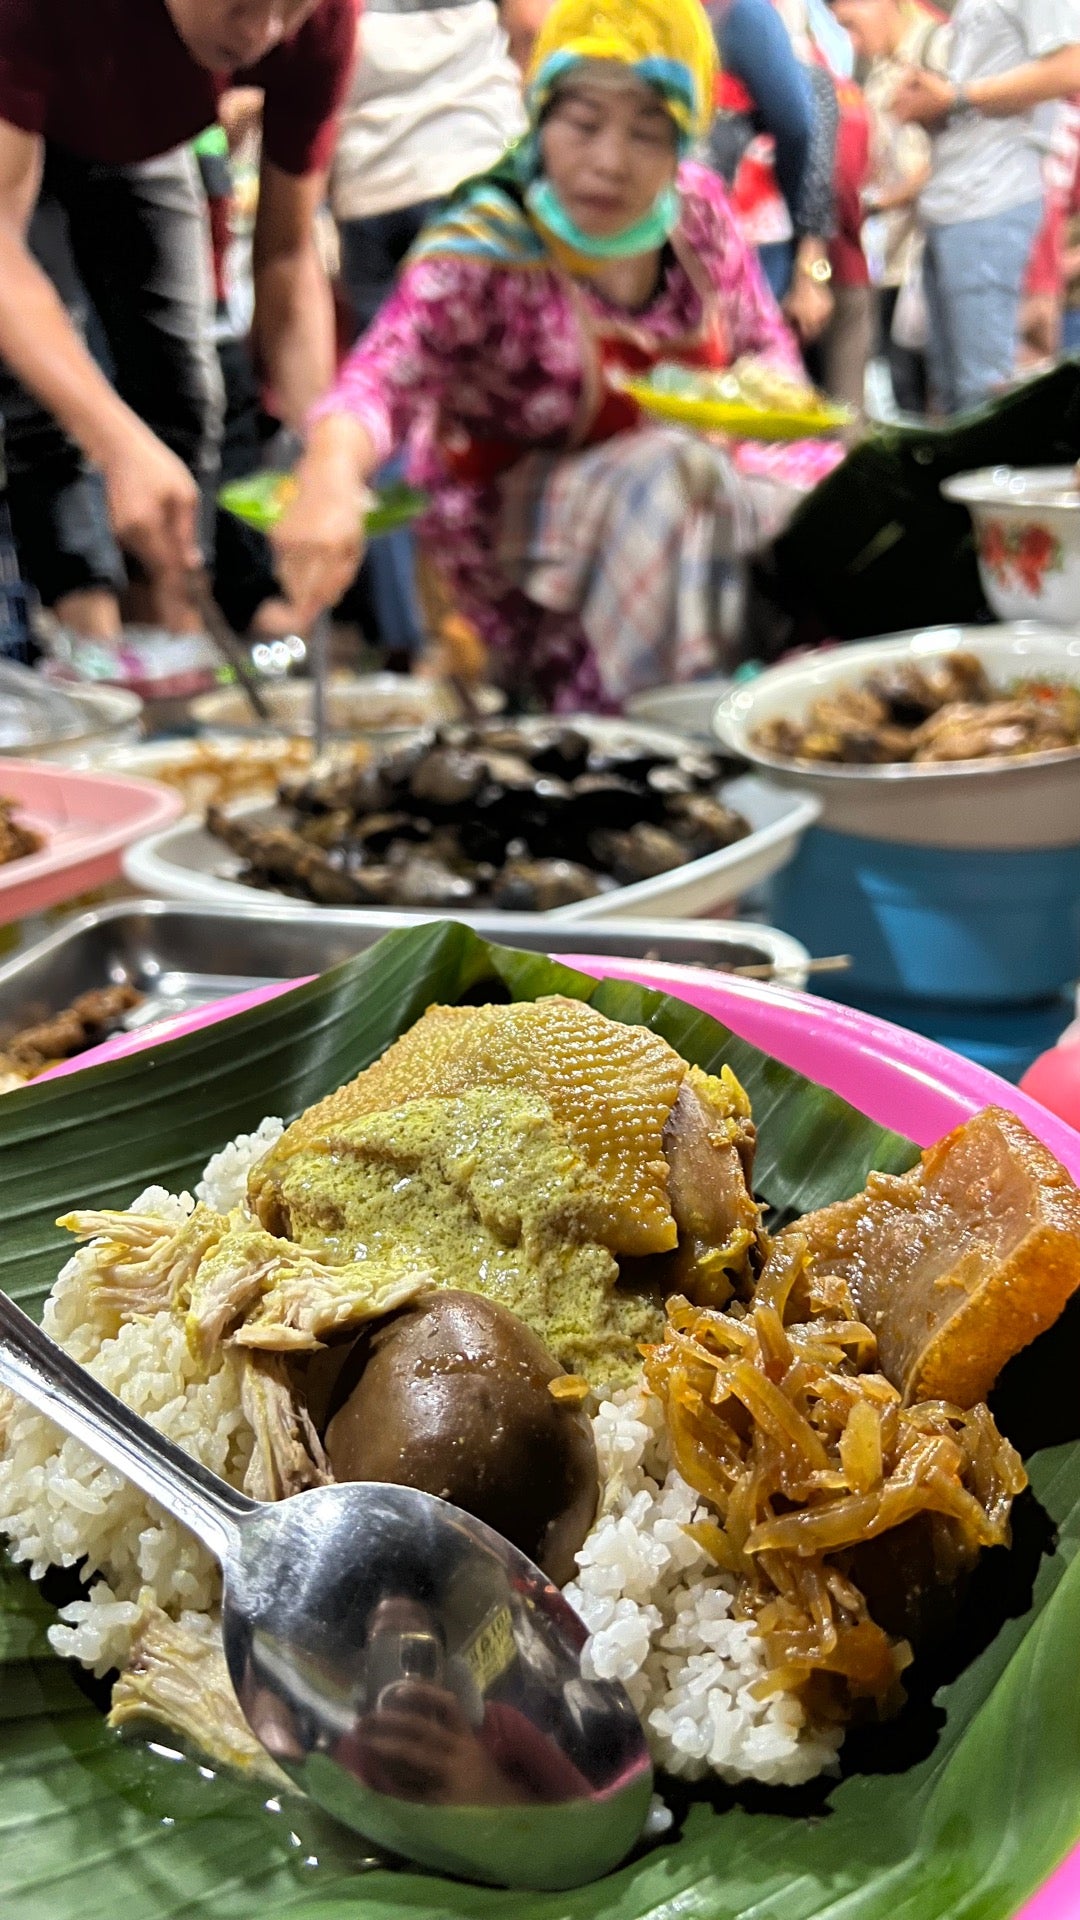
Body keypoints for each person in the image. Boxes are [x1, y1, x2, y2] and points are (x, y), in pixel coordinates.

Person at [274, 0, 804, 712]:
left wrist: (773, 429)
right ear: (541, 115)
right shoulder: (487, 243)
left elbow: (764, 346)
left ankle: (765, 706)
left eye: (648, 132)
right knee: (671, 475)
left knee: (815, 490)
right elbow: (378, 378)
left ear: (684, 142)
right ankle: (651, 734)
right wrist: (330, 474)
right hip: (509, 562)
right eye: (583, 124)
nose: (609, 161)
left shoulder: (698, 214)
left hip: (671, 528)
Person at [0, 0, 357, 637]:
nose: (262, 35)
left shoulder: (322, 19)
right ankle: (94, 662)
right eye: (242, 5)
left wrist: (321, 457)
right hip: (17, 138)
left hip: (141, 136)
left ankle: (174, 654)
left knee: (187, 399)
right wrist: (114, 441)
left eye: (289, 12)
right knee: (50, 417)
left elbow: (286, 250)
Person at [329, 0, 528, 662]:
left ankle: (408, 641)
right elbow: (531, 22)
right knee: (480, 410)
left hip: (367, 183)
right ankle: (478, 636)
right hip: (471, 166)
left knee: (386, 402)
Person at [893, 0, 1080, 415]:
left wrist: (954, 97)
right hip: (954, 203)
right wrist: (933, 105)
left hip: (991, 202)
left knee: (981, 398)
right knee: (953, 400)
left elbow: (1071, 66)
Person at [830, 0, 950, 416]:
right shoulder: (874, 73)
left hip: (937, 251)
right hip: (893, 261)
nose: (851, 39)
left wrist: (878, 203)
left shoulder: (939, 46)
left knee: (946, 392)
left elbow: (948, 159)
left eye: (850, 22)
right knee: (905, 393)